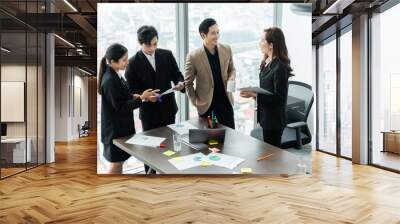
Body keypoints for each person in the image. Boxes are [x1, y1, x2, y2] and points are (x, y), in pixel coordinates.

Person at [124, 25, 185, 174]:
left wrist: (180, 83)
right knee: (150, 150)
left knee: (169, 147)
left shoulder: (167, 55)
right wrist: (144, 97)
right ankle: (150, 178)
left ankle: (169, 175)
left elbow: (177, 74)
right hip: (149, 113)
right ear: (140, 43)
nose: (152, 48)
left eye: (155, 44)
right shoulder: (132, 63)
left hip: (168, 109)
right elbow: (131, 91)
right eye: (148, 45)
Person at [98, 43, 158, 174]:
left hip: (120, 130)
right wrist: (141, 98)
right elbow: (120, 107)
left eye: (127, 58)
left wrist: (136, 96)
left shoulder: (115, 74)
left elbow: (122, 96)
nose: (127, 62)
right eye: (124, 60)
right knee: (116, 166)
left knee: (118, 164)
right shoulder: (110, 80)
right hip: (114, 132)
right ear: (113, 61)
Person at [240, 27, 293, 147]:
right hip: (266, 117)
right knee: (267, 153)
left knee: (272, 156)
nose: (260, 43)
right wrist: (254, 95)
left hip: (274, 120)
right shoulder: (267, 61)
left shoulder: (280, 67)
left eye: (262, 40)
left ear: (271, 45)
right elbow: (267, 91)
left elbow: (279, 99)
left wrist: (254, 94)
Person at [185, 18, 236, 129]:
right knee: (208, 141)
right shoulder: (194, 56)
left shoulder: (226, 49)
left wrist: (232, 76)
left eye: (218, 32)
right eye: (213, 33)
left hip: (226, 102)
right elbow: (188, 83)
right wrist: (196, 103)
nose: (217, 36)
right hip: (206, 106)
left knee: (230, 137)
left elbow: (232, 69)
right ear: (203, 35)